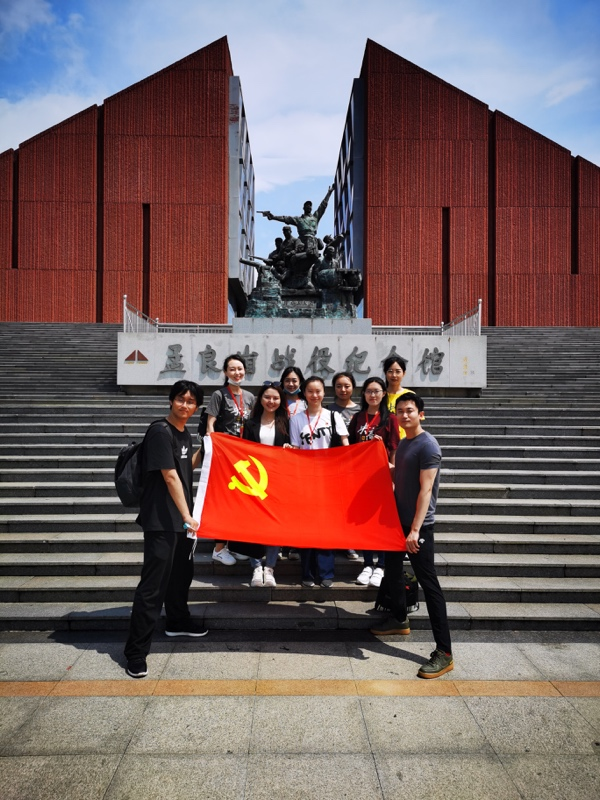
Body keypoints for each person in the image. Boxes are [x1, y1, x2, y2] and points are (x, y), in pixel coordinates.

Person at [124, 380, 207, 679]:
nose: (185, 405)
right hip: (162, 520)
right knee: (153, 586)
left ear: (196, 407)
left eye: (191, 401)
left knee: (181, 575)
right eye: (181, 399)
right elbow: (170, 476)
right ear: (171, 401)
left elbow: (185, 468)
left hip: (181, 522)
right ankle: (135, 653)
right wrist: (187, 515)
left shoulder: (183, 433)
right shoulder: (160, 431)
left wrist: (208, 449)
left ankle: (177, 622)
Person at [370, 392, 454, 680]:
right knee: (392, 572)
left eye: (410, 410)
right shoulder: (405, 442)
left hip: (418, 527)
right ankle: (399, 618)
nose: (405, 415)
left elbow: (426, 490)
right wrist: (378, 455)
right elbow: (400, 475)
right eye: (400, 411)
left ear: (421, 414)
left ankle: (444, 652)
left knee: (430, 585)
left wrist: (415, 530)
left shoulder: (428, 445)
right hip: (399, 522)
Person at [289, 376, 349, 588]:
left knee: (327, 526)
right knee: (306, 526)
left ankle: (326, 572)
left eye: (318, 391)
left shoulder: (334, 416)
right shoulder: (296, 419)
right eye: (310, 391)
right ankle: (307, 572)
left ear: (324, 393)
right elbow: (296, 449)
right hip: (306, 479)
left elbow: (345, 446)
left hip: (330, 479)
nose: (314, 395)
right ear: (304, 393)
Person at [348, 377, 400, 587]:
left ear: (384, 394)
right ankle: (368, 564)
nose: (373, 395)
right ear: (363, 394)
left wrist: (393, 475)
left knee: (382, 522)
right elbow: (351, 447)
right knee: (365, 522)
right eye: (369, 391)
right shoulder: (358, 417)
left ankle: (381, 566)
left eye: (377, 391)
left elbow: (394, 448)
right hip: (361, 478)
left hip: (382, 476)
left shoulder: (390, 419)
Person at [206, 355, 255, 566]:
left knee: (240, 500)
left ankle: (235, 545)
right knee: (224, 500)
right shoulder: (219, 395)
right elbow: (211, 423)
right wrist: (212, 445)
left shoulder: (250, 397)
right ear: (225, 372)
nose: (237, 373)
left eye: (240, 369)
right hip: (225, 456)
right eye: (232, 369)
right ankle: (219, 548)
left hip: (244, 457)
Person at [242, 383, 292, 587]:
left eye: (276, 398)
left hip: (278, 480)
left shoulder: (286, 423)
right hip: (255, 480)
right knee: (254, 524)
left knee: (274, 524)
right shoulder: (250, 423)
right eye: (267, 397)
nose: (271, 401)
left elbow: (293, 447)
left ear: (281, 401)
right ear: (260, 399)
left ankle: (269, 567)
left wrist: (289, 448)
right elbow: (243, 451)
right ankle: (256, 566)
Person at [327, 371, 361, 559]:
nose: (343, 389)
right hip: (332, 464)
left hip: (355, 464)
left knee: (350, 505)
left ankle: (350, 542)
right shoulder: (327, 410)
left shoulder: (360, 411)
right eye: (339, 386)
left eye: (347, 386)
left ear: (353, 387)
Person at [280, 366, 307, 561]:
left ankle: (296, 543)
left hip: (301, 457)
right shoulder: (277, 401)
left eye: (294, 380)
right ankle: (282, 542)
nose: (291, 384)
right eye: (287, 380)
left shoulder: (306, 402)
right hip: (280, 455)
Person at [262, 186, 333, 258]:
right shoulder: (299, 219)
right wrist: (273, 217)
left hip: (312, 242)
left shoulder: (315, 217)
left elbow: (323, 206)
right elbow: (285, 218)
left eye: (310, 205)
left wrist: (329, 193)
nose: (309, 207)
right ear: (303, 208)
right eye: (307, 205)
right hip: (302, 242)